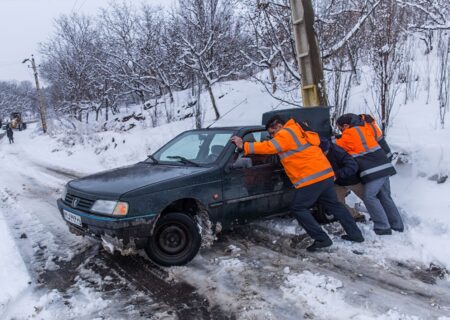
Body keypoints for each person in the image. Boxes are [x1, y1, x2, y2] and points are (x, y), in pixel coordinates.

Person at [231, 115, 364, 252]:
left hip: (310, 177)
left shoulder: (286, 132)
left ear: (278, 126)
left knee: (298, 208)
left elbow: (270, 147)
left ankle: (321, 239)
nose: (272, 136)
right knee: (335, 205)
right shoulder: (299, 130)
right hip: (324, 174)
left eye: (272, 133)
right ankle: (355, 234)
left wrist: (244, 145)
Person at [336, 113, 404, 235]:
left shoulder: (349, 134)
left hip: (375, 171)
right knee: (384, 197)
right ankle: (397, 225)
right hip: (384, 167)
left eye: (340, 128)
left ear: (345, 126)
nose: (340, 131)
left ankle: (382, 227)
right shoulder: (363, 129)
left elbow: (335, 145)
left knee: (369, 197)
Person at [319, 138, 365, 222]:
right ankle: (355, 215)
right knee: (337, 202)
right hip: (338, 183)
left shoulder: (338, 152)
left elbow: (353, 166)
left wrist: (337, 174)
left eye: (323, 153)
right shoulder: (320, 155)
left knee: (369, 199)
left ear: (326, 149)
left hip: (352, 180)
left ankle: (382, 217)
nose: (322, 155)